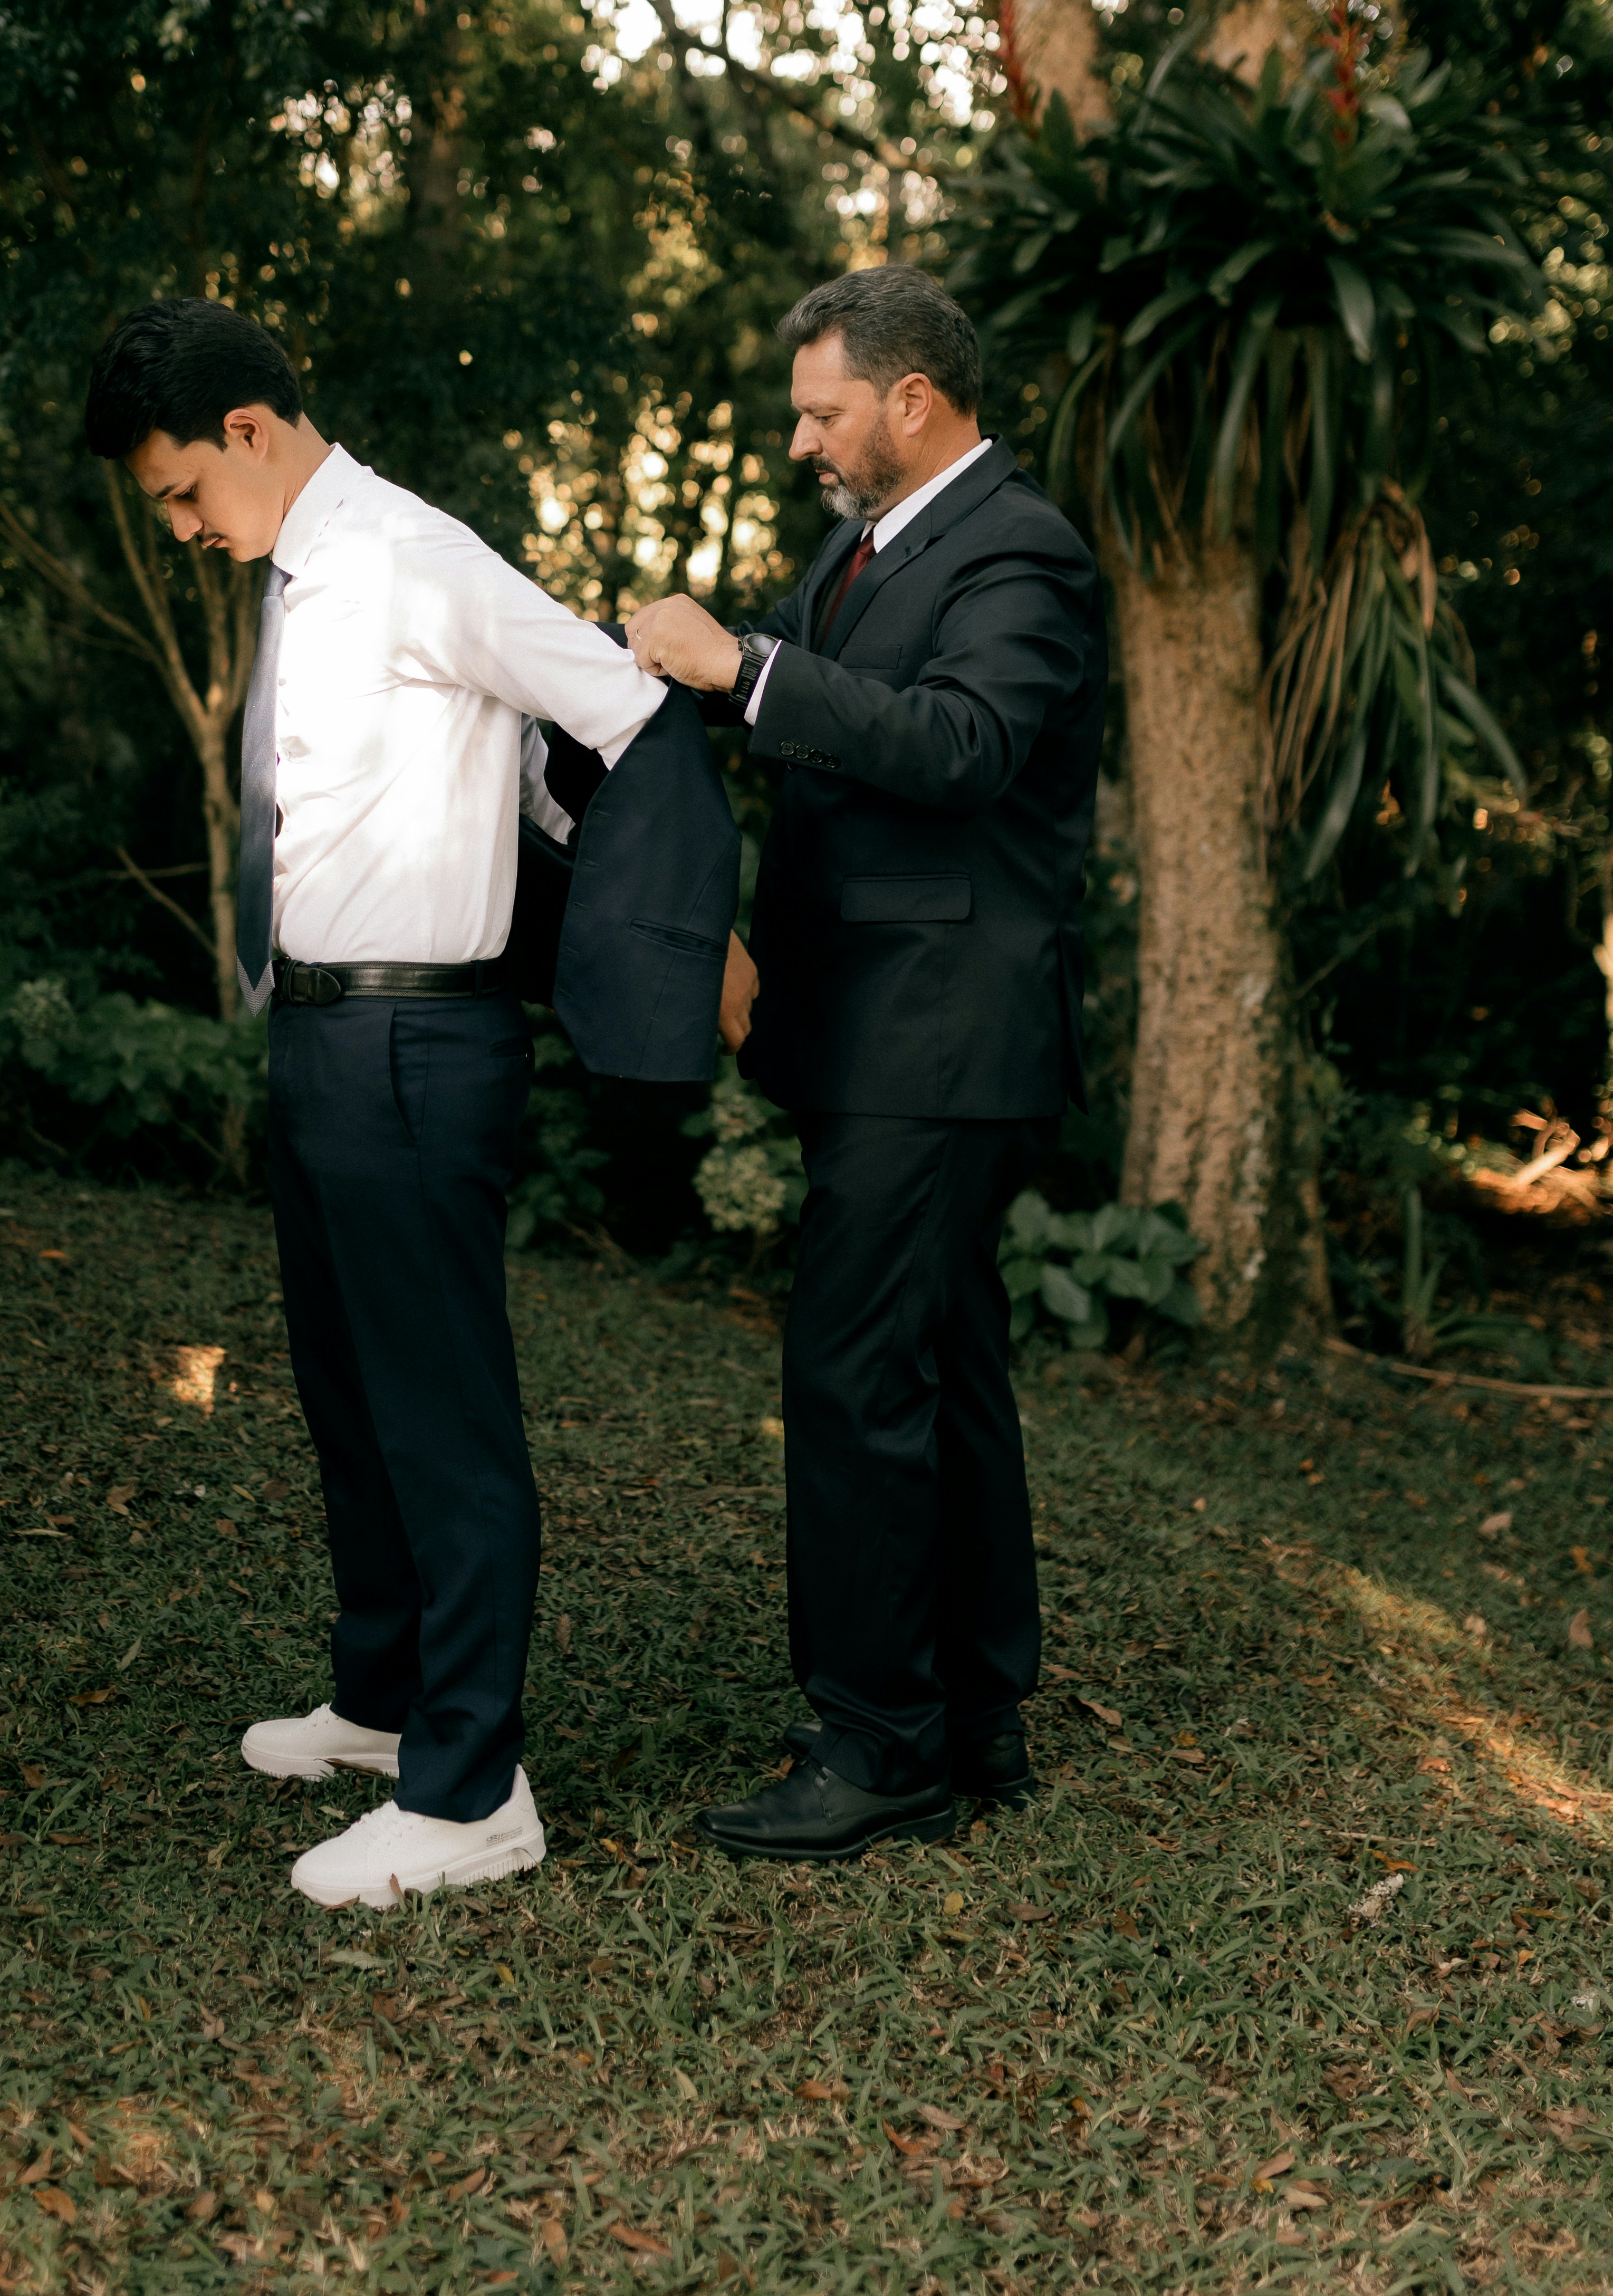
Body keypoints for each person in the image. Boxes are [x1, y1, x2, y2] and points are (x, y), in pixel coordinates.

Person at [82, 299, 736, 1909]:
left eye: (183, 492)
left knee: (440, 1419)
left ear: (248, 432)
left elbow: (628, 716)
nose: (183, 528)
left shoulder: (414, 554)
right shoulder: (309, 570)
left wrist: (671, 954)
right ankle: (383, 1704)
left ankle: (471, 1792)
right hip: (323, 1038)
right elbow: (505, 768)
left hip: (422, 1044)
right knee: (349, 1397)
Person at [626, 263, 1106, 1860]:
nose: (802, 442)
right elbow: (828, 737)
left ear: (913, 398)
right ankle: (970, 1713)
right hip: (869, 1028)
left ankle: (880, 1743)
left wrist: (745, 669)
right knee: (941, 1369)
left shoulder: (1023, 548)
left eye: (822, 412)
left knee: (853, 1374)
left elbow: (964, 746)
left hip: (946, 1037)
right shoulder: (860, 545)